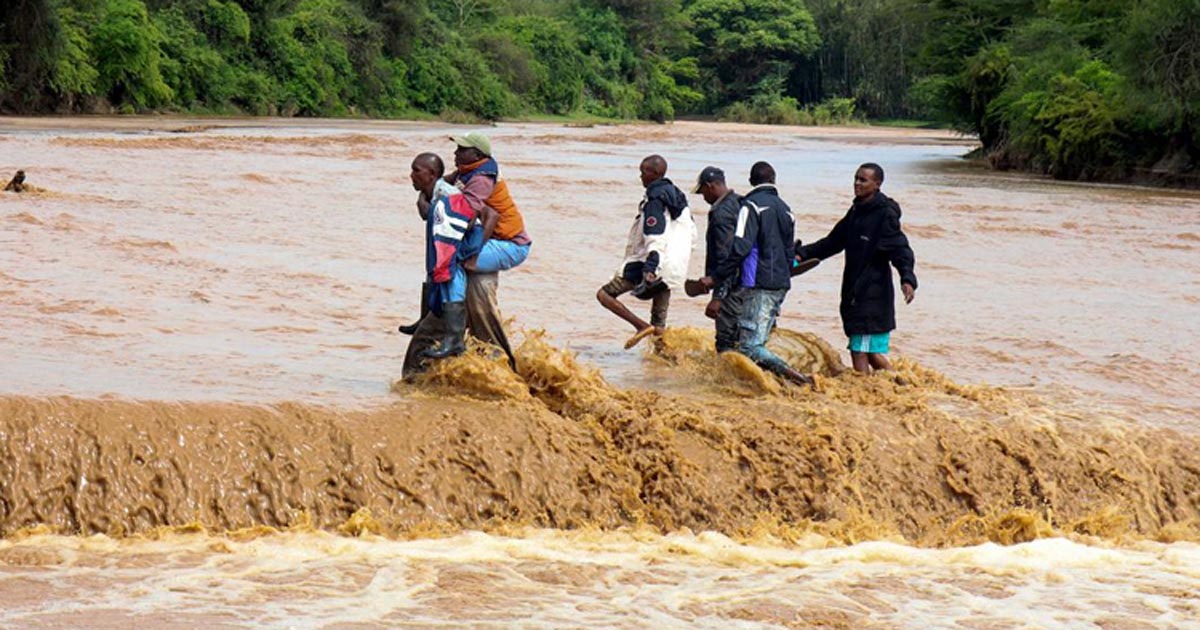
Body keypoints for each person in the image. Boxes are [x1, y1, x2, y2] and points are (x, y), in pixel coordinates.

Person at [699, 161, 813, 386]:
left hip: (757, 283)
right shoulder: (786, 209)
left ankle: (800, 380)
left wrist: (716, 279)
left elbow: (739, 248)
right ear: (774, 180)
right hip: (781, 283)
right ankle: (766, 386)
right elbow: (788, 251)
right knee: (752, 340)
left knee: (749, 346)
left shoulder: (749, 206)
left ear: (751, 181)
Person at [796, 162, 917, 374]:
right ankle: (901, 383)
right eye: (856, 178)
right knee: (869, 352)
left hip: (872, 295)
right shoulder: (856, 211)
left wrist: (907, 279)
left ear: (877, 184)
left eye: (863, 180)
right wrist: (801, 254)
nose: (857, 183)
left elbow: (900, 249)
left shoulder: (884, 215)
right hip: (854, 293)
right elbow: (832, 242)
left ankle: (865, 389)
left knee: (858, 350)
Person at [597, 154, 695, 348]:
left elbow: (654, 233)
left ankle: (640, 326)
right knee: (659, 320)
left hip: (652, 263)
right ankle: (666, 361)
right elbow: (692, 234)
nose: (640, 176)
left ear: (655, 173)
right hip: (673, 268)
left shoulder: (655, 198)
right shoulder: (679, 199)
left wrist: (651, 267)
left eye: (644, 171)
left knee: (604, 295)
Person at [403, 153, 475, 371]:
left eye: (416, 170)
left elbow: (472, 216)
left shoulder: (447, 194)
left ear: (432, 174)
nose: (411, 175)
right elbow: (427, 214)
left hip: (458, 247)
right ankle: (425, 315)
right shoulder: (432, 192)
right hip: (443, 246)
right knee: (431, 266)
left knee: (443, 271)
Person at [690, 166, 744, 352]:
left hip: (732, 288)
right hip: (752, 284)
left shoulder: (721, 214)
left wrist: (718, 297)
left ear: (710, 186)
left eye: (702, 192)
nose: (703, 197)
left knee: (726, 344)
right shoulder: (742, 203)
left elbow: (726, 258)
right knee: (751, 339)